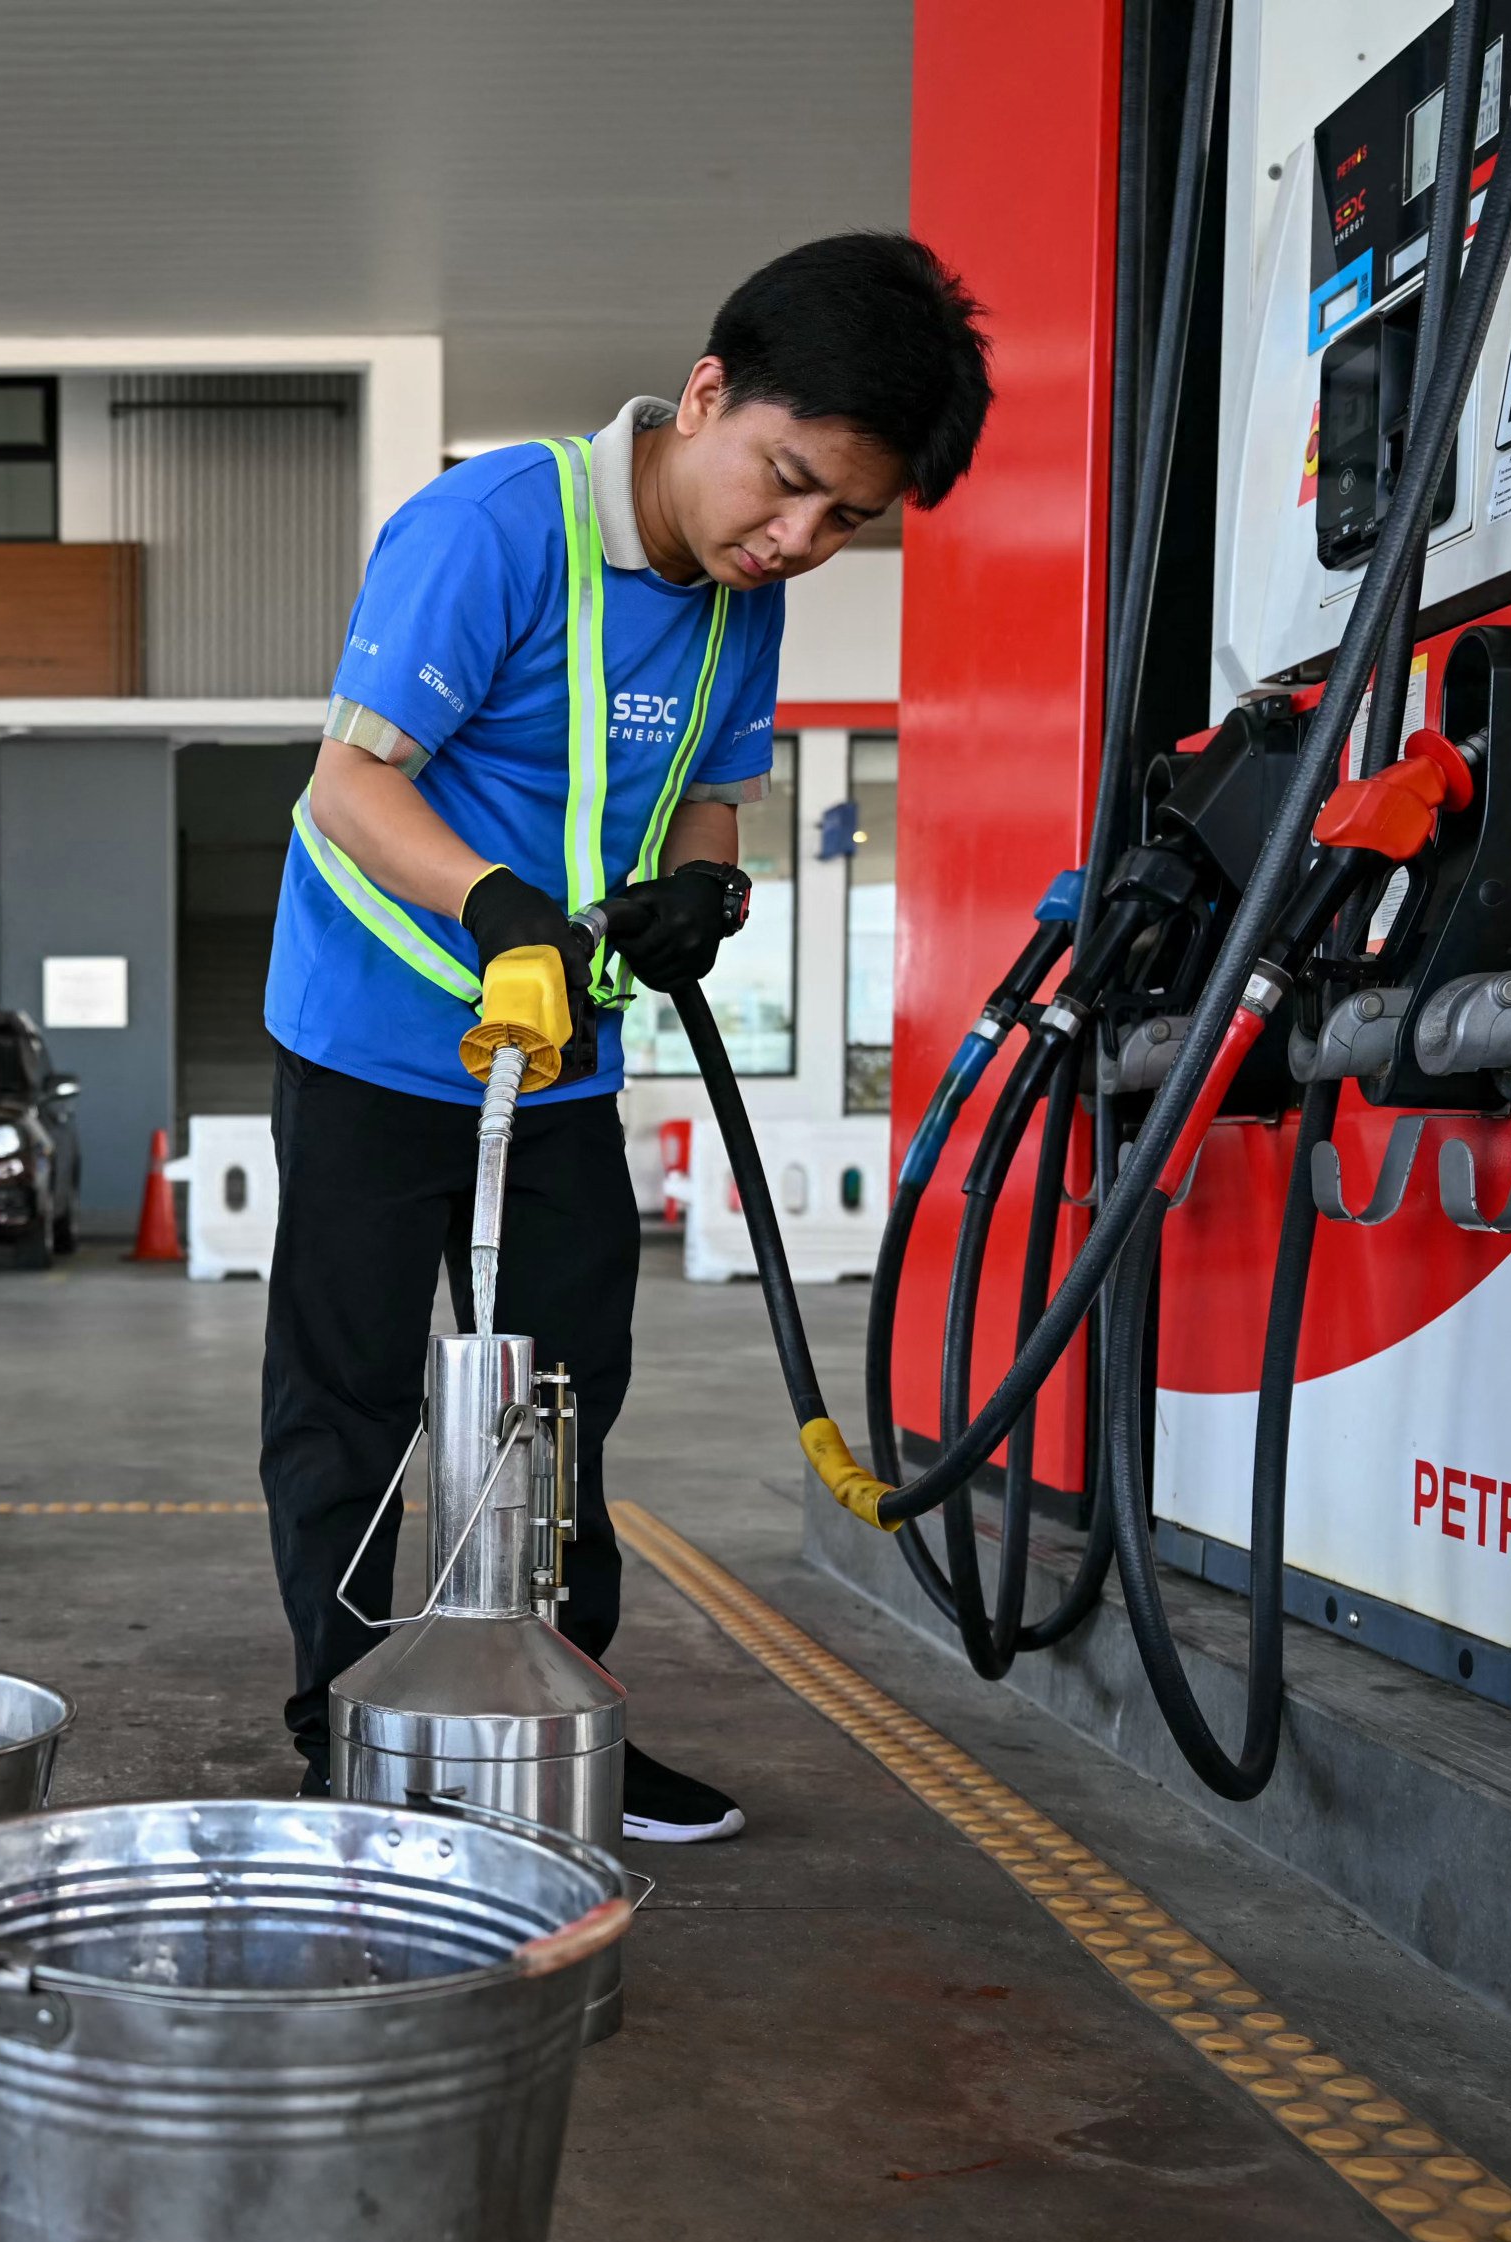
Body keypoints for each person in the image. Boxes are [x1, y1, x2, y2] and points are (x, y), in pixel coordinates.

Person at [263, 231, 995, 1841]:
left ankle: (550, 1713)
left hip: (567, 1060)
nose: (797, 537)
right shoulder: (488, 528)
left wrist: (706, 897)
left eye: (845, 520)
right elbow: (351, 784)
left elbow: (716, 796)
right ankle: (346, 1725)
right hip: (382, 1043)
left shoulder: (747, 597)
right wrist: (503, 910)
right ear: (709, 392)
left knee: (564, 1398)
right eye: (787, 480)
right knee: (355, 1396)